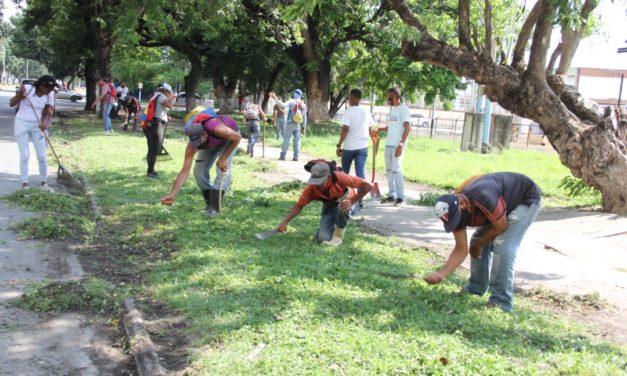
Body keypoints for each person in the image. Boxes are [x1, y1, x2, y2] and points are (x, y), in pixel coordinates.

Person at [426, 172, 542, 312]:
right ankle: (476, 288)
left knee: (503, 245)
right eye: (453, 221)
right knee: (477, 240)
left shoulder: (484, 197)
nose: (458, 222)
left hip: (525, 198)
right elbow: (461, 248)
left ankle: (501, 301)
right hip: (499, 204)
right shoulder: (454, 211)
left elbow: (501, 226)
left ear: (463, 204)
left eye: (457, 217)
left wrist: (479, 244)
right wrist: (441, 275)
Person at [161, 108, 241, 217]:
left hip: (230, 138)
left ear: (205, 134)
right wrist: (172, 194)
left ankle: (215, 209)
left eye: (198, 142)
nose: (196, 145)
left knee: (222, 170)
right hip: (213, 142)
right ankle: (210, 205)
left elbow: (237, 138)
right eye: (194, 142)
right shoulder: (192, 145)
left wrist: (223, 158)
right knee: (199, 171)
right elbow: (185, 171)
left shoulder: (217, 129)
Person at [277, 162, 372, 246]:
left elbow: (369, 185)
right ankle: (329, 227)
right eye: (316, 181)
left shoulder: (339, 177)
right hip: (330, 207)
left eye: (321, 181)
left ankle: (338, 235)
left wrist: (352, 201)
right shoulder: (311, 189)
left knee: (343, 207)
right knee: (322, 238)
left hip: (348, 202)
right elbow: (299, 206)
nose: (319, 184)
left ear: (329, 177)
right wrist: (284, 222)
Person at [9, 74, 58, 192]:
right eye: (48, 88)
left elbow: (48, 112)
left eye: (52, 89)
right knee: (25, 155)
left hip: (37, 126)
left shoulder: (49, 95)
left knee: (42, 156)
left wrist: (44, 123)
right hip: (22, 123)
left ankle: (44, 184)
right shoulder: (27, 89)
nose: (50, 90)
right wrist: (20, 95)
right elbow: (12, 103)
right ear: (41, 85)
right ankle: (25, 183)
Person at [336, 89, 374, 194]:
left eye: (349, 98)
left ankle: (342, 194)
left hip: (349, 147)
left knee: (344, 173)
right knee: (360, 173)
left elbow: (345, 129)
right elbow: (371, 129)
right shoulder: (366, 112)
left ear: (352, 98)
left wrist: (339, 145)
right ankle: (360, 198)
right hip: (363, 147)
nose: (348, 100)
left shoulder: (349, 111)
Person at [376, 87, 410, 207]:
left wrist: (401, 145)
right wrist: (379, 129)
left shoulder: (403, 109)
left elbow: (407, 128)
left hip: (397, 146)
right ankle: (392, 195)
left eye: (388, 96)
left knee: (397, 170)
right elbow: (392, 127)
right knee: (389, 171)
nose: (387, 98)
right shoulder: (393, 109)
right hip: (388, 145)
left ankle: (401, 198)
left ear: (394, 96)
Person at [144, 83, 176, 178]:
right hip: (156, 125)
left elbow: (159, 109)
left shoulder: (155, 96)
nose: (169, 94)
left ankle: (151, 170)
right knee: (155, 149)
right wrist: (174, 97)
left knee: (151, 148)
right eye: (169, 92)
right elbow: (170, 105)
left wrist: (166, 116)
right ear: (165, 91)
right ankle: (150, 172)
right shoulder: (161, 95)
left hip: (151, 124)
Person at [270, 89, 307, 161]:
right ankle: (296, 157)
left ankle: (283, 156)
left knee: (286, 139)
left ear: (295, 94)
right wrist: (303, 127)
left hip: (290, 123)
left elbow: (282, 105)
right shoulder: (303, 104)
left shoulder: (291, 101)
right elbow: (305, 117)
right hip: (298, 124)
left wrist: (275, 98)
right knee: (297, 141)